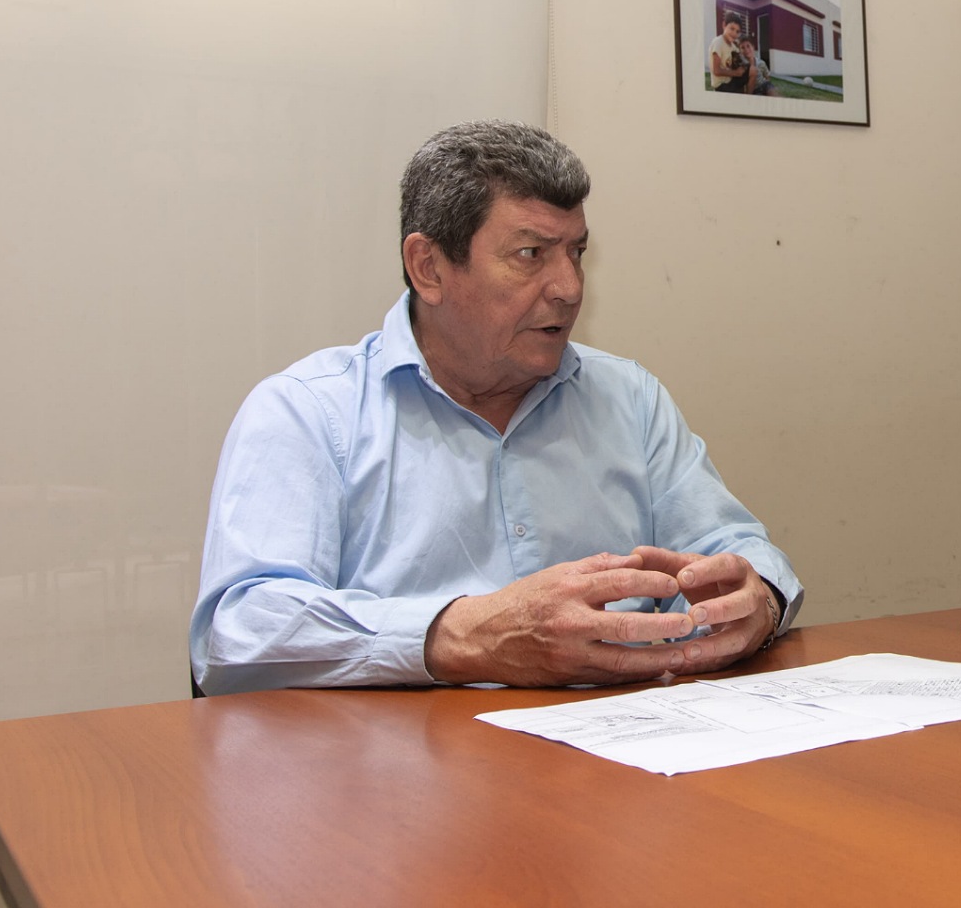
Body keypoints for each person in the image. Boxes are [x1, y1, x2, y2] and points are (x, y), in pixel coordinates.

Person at [191, 121, 801, 694]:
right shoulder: (310, 412)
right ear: (429, 268)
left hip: (614, 747)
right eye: (531, 254)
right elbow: (240, 627)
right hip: (400, 760)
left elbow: (735, 548)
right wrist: (466, 635)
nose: (570, 288)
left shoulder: (629, 397)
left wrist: (759, 600)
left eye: (577, 252)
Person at [708, 17, 749, 94]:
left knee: (751, 70)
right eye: (732, 29)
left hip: (730, 80)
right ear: (724, 25)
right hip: (721, 85)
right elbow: (716, 71)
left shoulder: (732, 45)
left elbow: (740, 56)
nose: (734, 33)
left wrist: (738, 45)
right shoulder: (718, 43)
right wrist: (736, 73)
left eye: (737, 31)